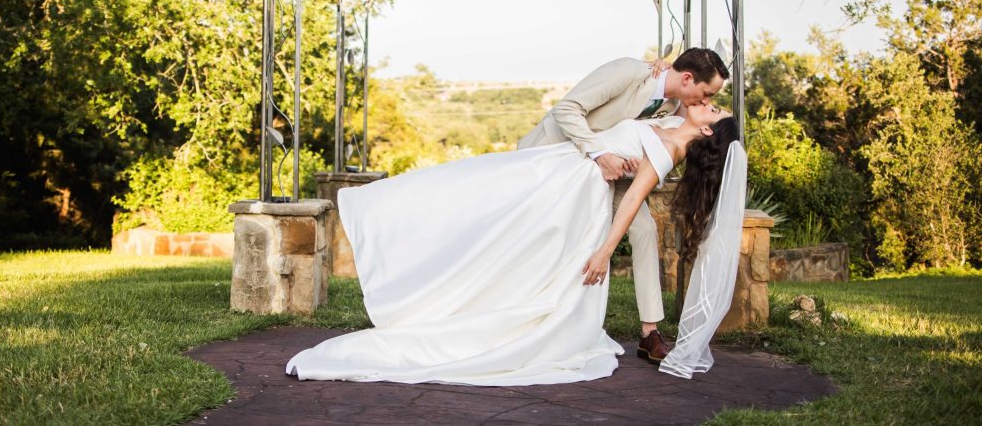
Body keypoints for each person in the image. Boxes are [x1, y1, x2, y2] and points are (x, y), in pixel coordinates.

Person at [284, 101, 743, 386]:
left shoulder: (669, 151)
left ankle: (465, 311)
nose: (708, 103)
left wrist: (604, 251)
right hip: (556, 168)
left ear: (707, 132)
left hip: (573, 195)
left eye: (714, 111)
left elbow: (630, 205)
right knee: (471, 188)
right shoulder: (668, 121)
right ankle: (400, 240)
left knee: (509, 242)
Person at [518, 48, 729, 364]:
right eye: (707, 93)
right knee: (545, 236)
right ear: (687, 78)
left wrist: (625, 159)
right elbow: (567, 109)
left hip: (613, 173)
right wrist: (602, 154)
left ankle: (649, 332)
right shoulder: (629, 72)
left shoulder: (674, 105)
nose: (706, 101)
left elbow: (656, 141)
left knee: (645, 229)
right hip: (560, 153)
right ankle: (537, 309)